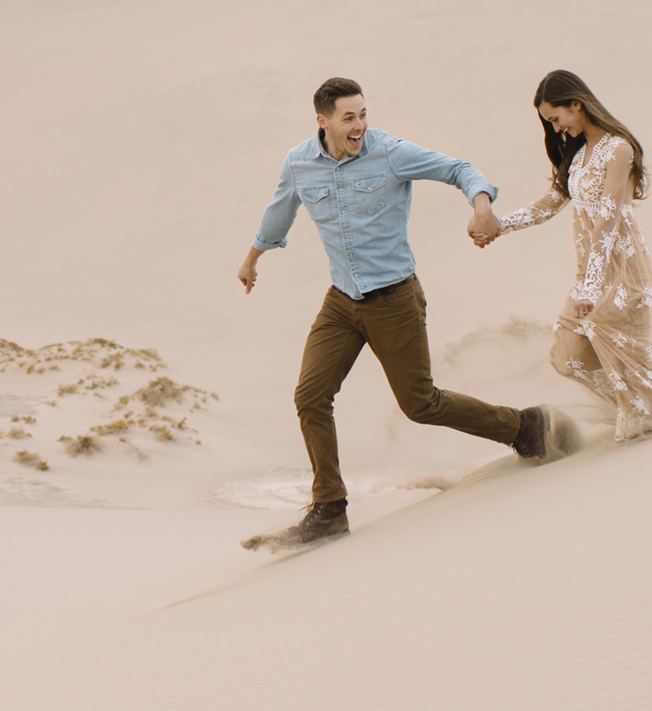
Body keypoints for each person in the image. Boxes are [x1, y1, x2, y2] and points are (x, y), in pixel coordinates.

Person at [241, 76, 574, 545]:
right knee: (310, 396)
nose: (359, 125)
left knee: (420, 403)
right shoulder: (299, 163)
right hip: (341, 301)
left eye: (363, 114)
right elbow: (280, 210)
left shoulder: (389, 152)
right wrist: (254, 257)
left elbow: (460, 169)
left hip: (394, 298)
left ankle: (524, 426)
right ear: (323, 122)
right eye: (348, 117)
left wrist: (481, 206)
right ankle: (330, 508)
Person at [480, 69, 652, 442]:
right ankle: (645, 363)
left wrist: (591, 286)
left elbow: (609, 214)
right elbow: (549, 204)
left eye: (557, 117)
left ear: (576, 104)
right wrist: (500, 225)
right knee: (566, 358)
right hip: (590, 270)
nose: (557, 128)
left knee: (628, 368)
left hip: (621, 263)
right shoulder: (577, 157)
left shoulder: (619, 148)